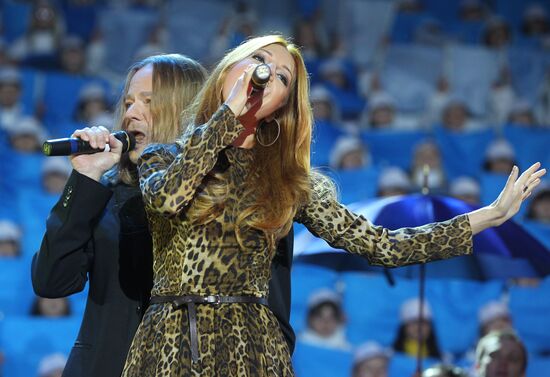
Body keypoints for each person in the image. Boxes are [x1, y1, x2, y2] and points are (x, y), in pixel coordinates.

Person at [126, 34, 546, 376]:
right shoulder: (160, 157)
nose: (267, 74)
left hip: (249, 345)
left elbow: (383, 245)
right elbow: (166, 200)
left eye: (283, 78)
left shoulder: (289, 181)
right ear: (229, 69)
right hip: (170, 340)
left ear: (281, 108)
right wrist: (228, 115)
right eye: (258, 60)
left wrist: (487, 215)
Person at [31, 54, 208, 377]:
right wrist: (85, 177)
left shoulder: (226, 199)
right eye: (127, 103)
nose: (130, 114)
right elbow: (51, 281)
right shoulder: (103, 195)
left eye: (148, 101)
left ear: (187, 111)